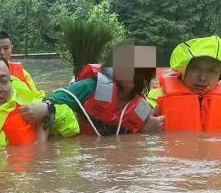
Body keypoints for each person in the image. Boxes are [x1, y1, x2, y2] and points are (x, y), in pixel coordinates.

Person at [18, 44, 164, 136]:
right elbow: (54, 99)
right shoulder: (91, 85)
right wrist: (45, 108)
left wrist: (147, 128)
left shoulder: (142, 108)